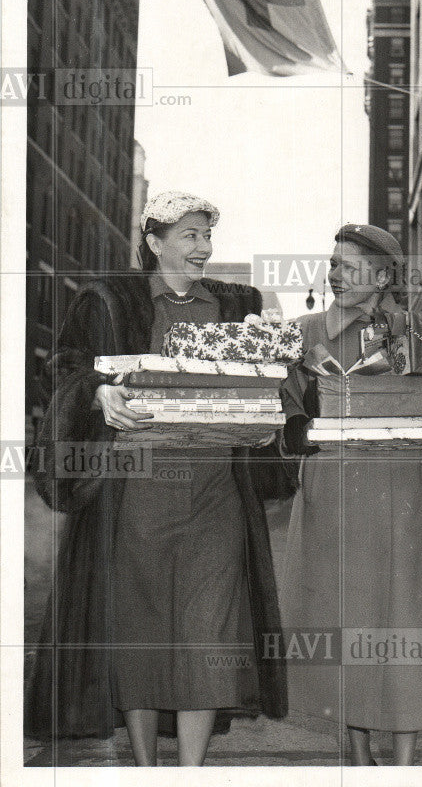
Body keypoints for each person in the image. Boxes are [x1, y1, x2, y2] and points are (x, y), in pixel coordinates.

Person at [25, 191, 287, 765]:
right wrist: (98, 391)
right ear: (154, 241)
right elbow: (67, 363)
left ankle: (189, 770)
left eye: (206, 236)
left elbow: (273, 382)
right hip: (135, 488)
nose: (203, 247)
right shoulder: (109, 299)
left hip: (216, 488)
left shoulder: (240, 301)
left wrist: (271, 415)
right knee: (139, 627)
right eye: (190, 235)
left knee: (208, 629)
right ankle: (146, 768)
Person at [280, 224, 422, 766]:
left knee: (408, 620)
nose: (335, 274)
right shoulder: (304, 332)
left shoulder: (418, 332)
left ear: (383, 277)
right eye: (332, 264)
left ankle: (402, 762)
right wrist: (297, 425)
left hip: (402, 490)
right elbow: (285, 414)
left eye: (348, 266)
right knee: (343, 619)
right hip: (333, 491)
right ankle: (358, 757)